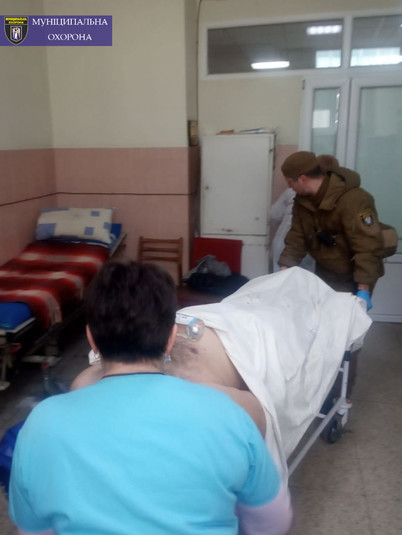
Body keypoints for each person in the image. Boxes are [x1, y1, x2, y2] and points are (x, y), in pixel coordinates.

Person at [9, 260, 292, 535]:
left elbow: (34, 528)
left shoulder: (40, 424)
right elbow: (271, 524)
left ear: (91, 339)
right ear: (171, 338)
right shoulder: (232, 414)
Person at [278, 151, 385, 310]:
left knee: (344, 321)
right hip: (325, 272)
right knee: (323, 317)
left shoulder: (354, 200)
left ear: (303, 178)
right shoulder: (303, 202)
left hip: (353, 277)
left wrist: (363, 289)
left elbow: (367, 246)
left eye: (290, 182)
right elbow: (297, 237)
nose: (289, 188)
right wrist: (284, 271)